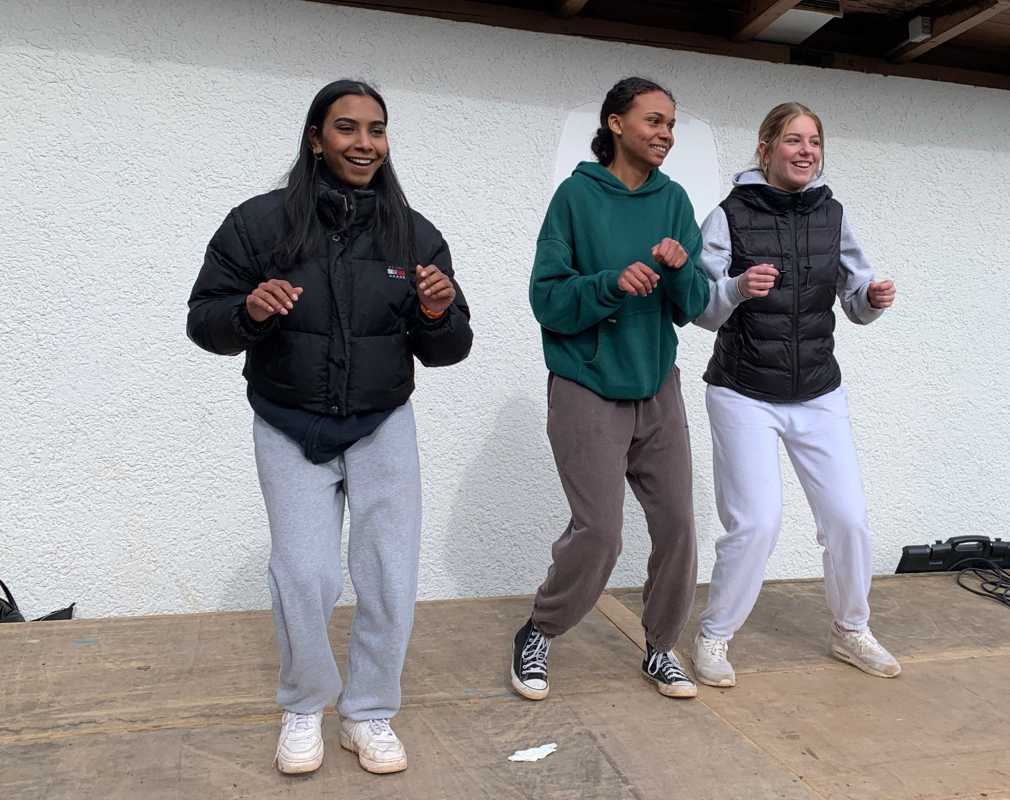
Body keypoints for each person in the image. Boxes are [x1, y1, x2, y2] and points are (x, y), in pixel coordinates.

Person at [186, 79, 472, 775]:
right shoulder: (257, 225)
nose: (364, 143)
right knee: (305, 575)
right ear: (316, 138)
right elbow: (204, 321)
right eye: (347, 128)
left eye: (377, 129)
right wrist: (248, 313)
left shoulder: (415, 235)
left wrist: (438, 314)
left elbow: (450, 348)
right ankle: (304, 705)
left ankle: (369, 713)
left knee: (388, 575)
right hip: (289, 422)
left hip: (383, 423)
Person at [510, 77, 711, 701]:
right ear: (616, 124)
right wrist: (610, 284)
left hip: (657, 385)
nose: (665, 134)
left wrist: (679, 270)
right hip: (588, 385)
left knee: (678, 525)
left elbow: (693, 305)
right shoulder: (576, 197)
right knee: (600, 531)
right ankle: (540, 629)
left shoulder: (674, 200)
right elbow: (546, 299)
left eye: (671, 124)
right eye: (653, 120)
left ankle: (660, 646)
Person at [689, 102, 900, 688]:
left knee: (848, 519)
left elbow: (855, 294)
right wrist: (736, 287)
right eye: (793, 140)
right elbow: (700, 306)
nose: (806, 151)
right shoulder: (728, 215)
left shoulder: (833, 214)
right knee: (757, 523)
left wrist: (870, 299)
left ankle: (851, 630)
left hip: (817, 391)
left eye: (814, 141)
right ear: (765, 148)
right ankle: (714, 636)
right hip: (743, 391)